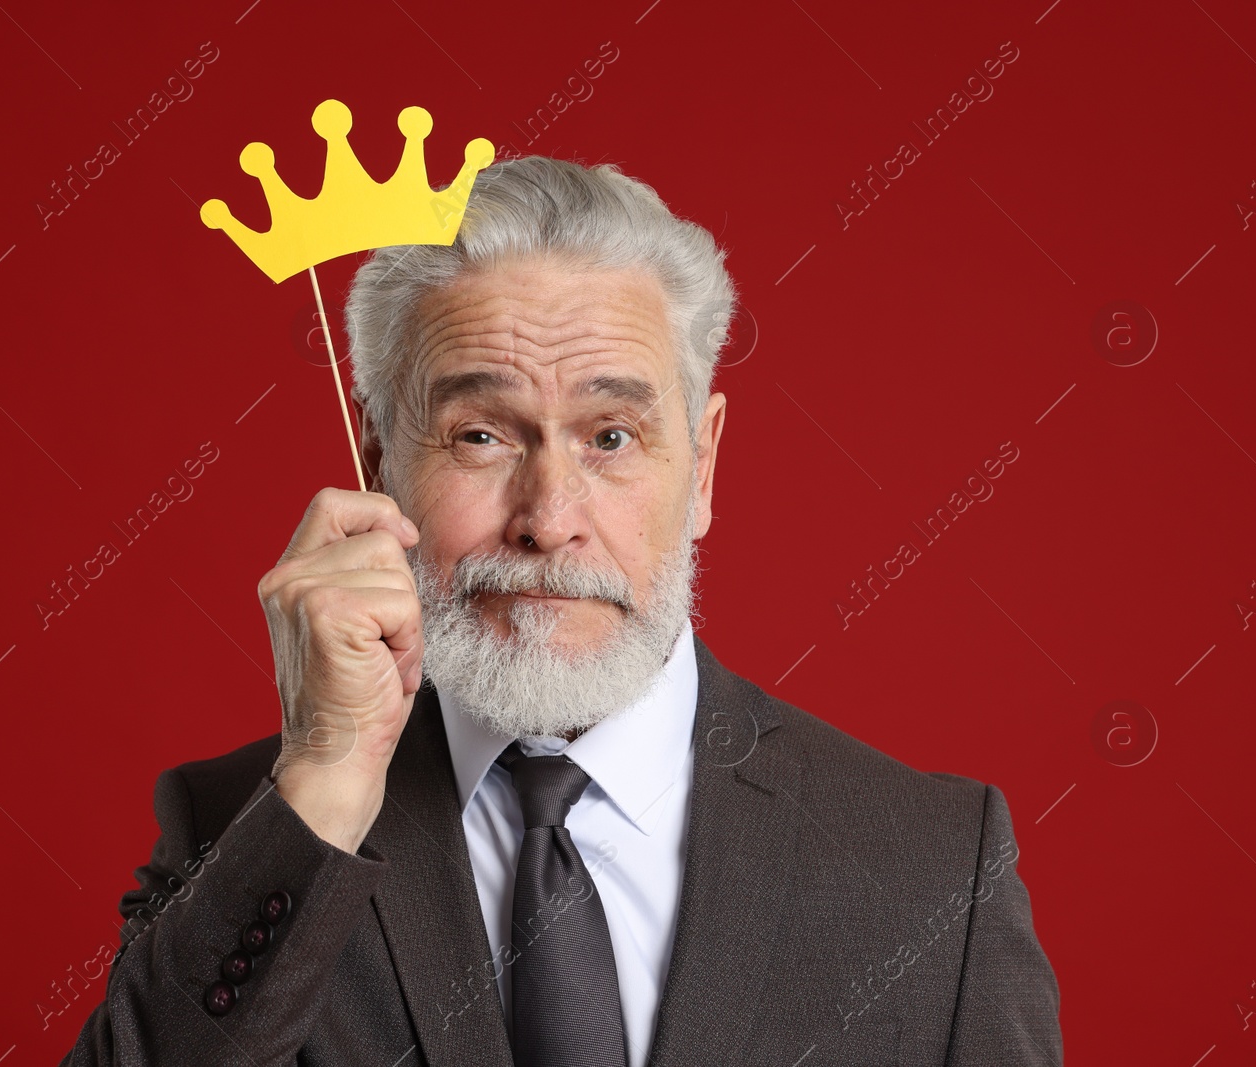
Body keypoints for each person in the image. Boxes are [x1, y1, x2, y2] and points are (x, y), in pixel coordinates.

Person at [61, 157, 1061, 1066]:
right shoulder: (245, 831)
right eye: (482, 433)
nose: (548, 519)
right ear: (377, 463)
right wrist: (324, 777)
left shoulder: (929, 864)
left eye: (611, 434)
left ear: (702, 463)